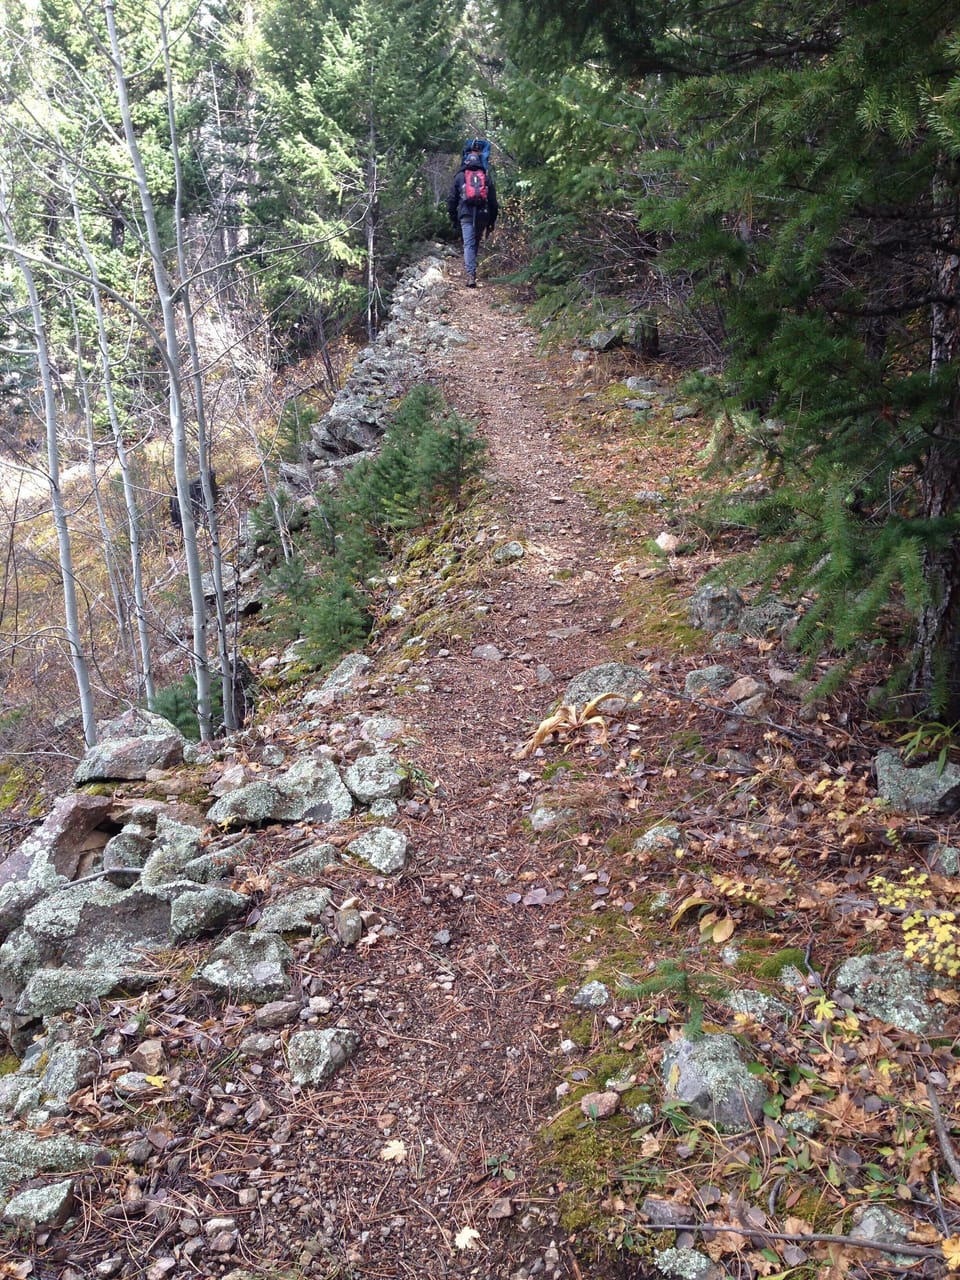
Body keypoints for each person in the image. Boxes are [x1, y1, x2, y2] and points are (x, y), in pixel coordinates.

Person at [447, 150, 498, 288]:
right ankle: (471, 270)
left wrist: (453, 217)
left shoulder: (460, 176)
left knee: (468, 244)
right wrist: (491, 222)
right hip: (483, 214)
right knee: (474, 242)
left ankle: (471, 274)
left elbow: (452, 199)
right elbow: (493, 202)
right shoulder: (486, 178)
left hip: (466, 214)